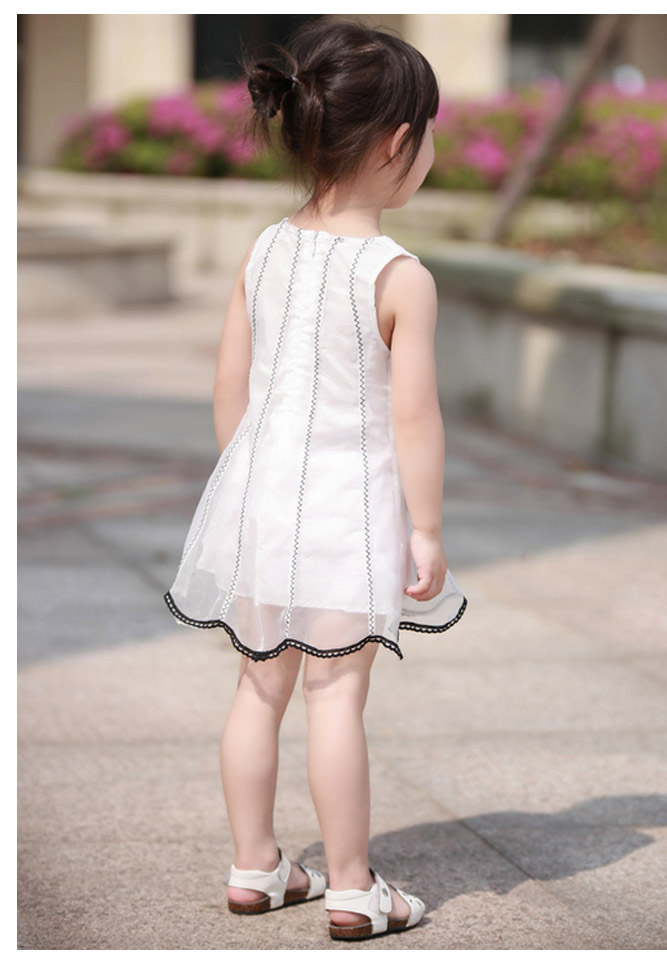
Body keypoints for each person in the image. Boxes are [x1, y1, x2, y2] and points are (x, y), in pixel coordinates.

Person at [163, 18, 467, 942]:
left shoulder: (264, 248)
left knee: (259, 687)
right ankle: (351, 887)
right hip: (346, 511)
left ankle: (256, 865)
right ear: (398, 143)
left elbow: (230, 382)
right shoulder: (398, 275)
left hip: (261, 500)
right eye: (427, 134)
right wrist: (426, 527)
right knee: (336, 695)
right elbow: (415, 418)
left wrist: (245, 486)